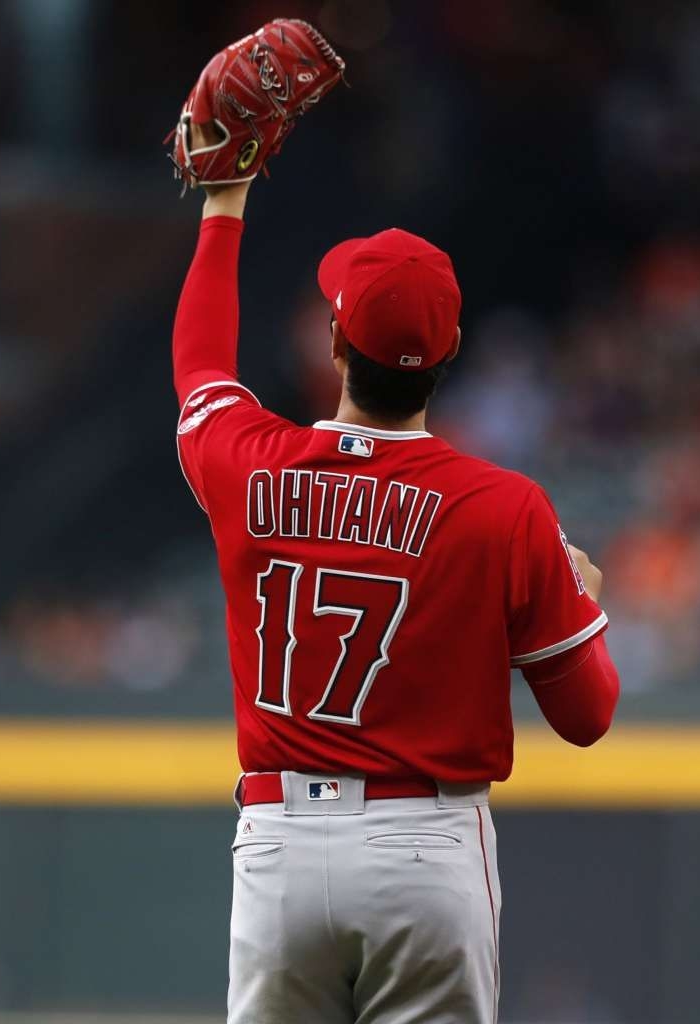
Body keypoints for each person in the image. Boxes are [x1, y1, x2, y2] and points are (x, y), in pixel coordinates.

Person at [172, 139, 620, 1023]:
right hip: (425, 850)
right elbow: (586, 716)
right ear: (451, 348)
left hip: (279, 844)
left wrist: (221, 204)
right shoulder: (503, 507)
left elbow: (200, 369)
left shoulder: (251, 464)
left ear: (335, 340)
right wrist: (581, 603)